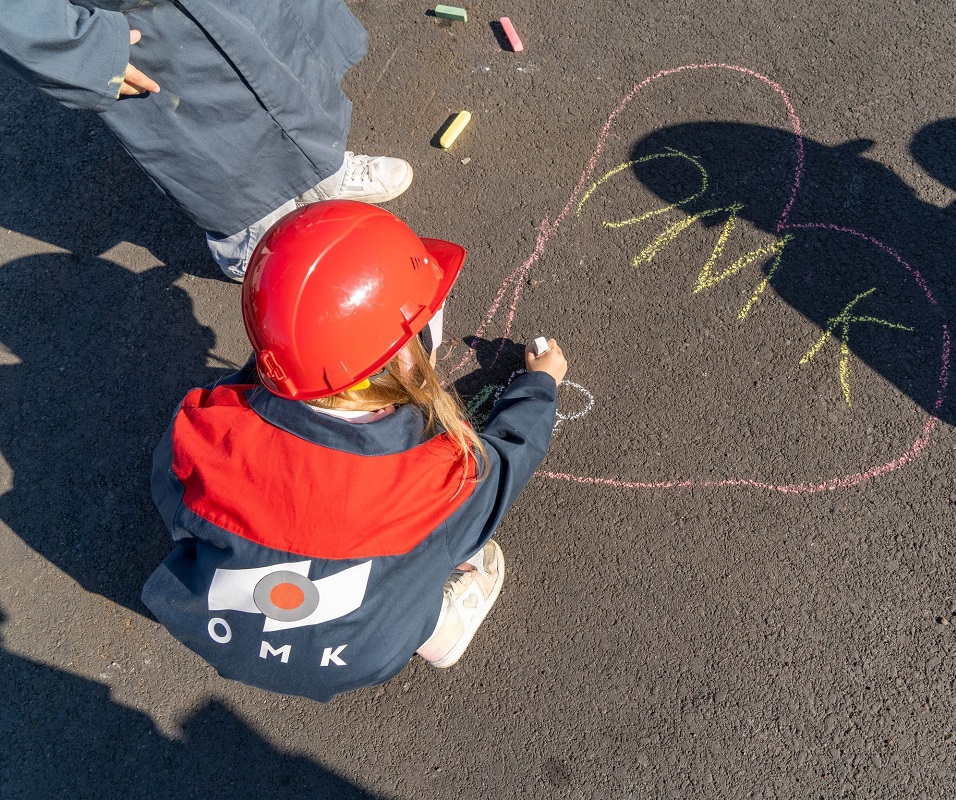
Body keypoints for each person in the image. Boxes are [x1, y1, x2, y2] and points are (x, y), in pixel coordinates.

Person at [141, 200, 567, 701]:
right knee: (451, 538)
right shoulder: (439, 477)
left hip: (211, 625)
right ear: (406, 357)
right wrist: (540, 387)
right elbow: (510, 458)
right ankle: (441, 631)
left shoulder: (203, 430)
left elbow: (169, 496)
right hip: (360, 653)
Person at [0, 1, 412, 280]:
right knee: (203, 127)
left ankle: (322, 171)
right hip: (136, 18)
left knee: (280, 60)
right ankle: (252, 239)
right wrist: (74, 48)